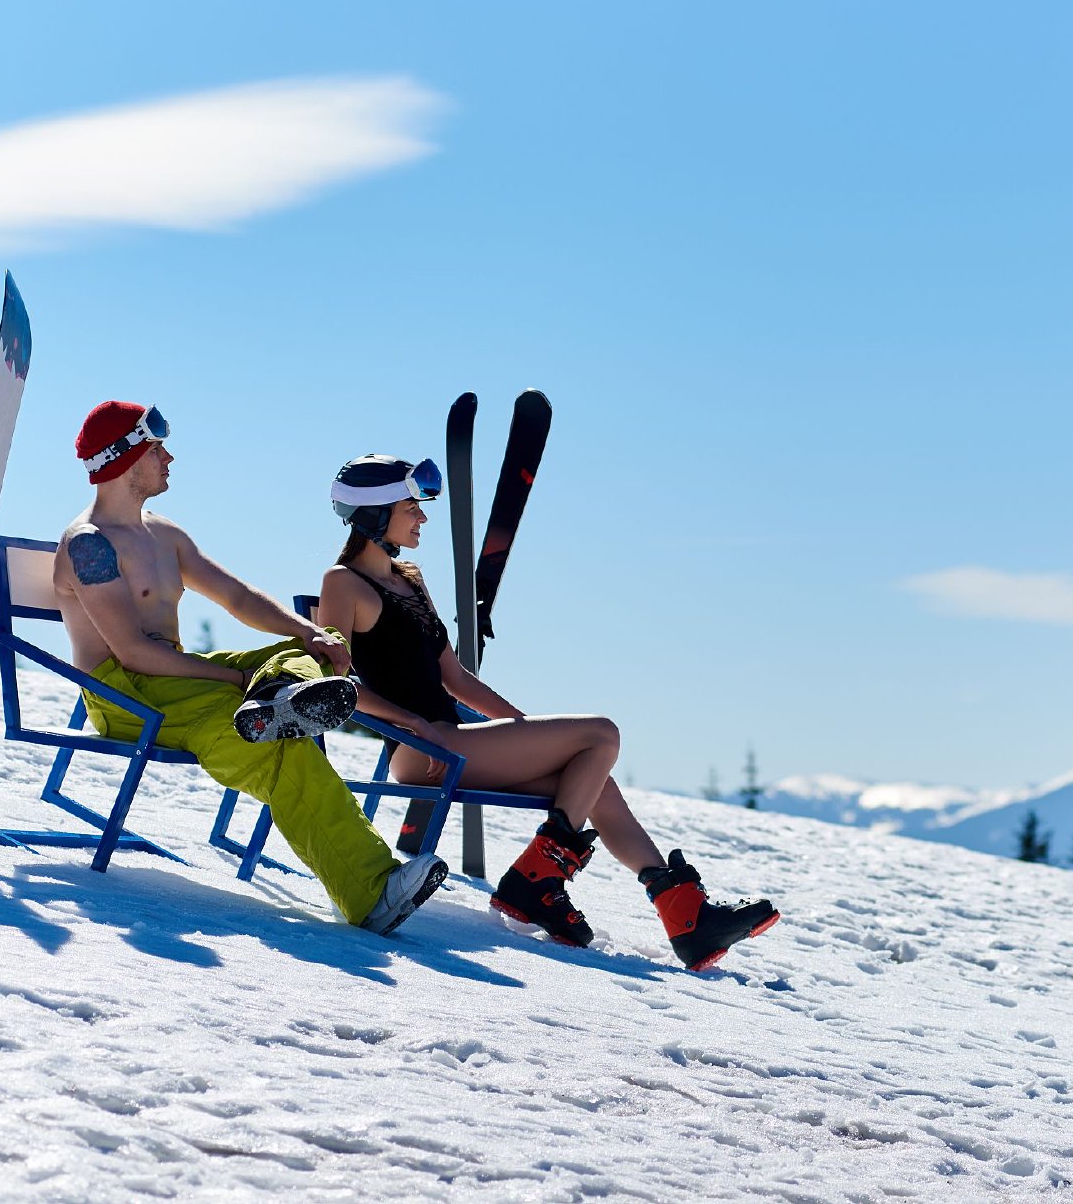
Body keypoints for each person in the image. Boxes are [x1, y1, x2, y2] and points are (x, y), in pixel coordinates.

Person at [316, 454, 779, 970]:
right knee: (602, 733)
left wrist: (519, 726)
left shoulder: (411, 579)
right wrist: (417, 725)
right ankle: (534, 883)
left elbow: (454, 678)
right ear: (375, 514)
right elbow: (336, 681)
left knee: (595, 780)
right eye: (411, 507)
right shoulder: (343, 584)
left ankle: (687, 919)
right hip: (420, 749)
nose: (422, 517)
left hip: (459, 740)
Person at [54, 403, 446, 935]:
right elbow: (134, 654)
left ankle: (281, 698)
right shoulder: (89, 545)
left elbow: (236, 596)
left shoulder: (163, 534)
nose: (169, 458)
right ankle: (371, 889)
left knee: (306, 651)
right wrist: (240, 680)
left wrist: (305, 631)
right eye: (157, 449)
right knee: (278, 746)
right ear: (126, 456)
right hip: (129, 696)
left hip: (179, 685)